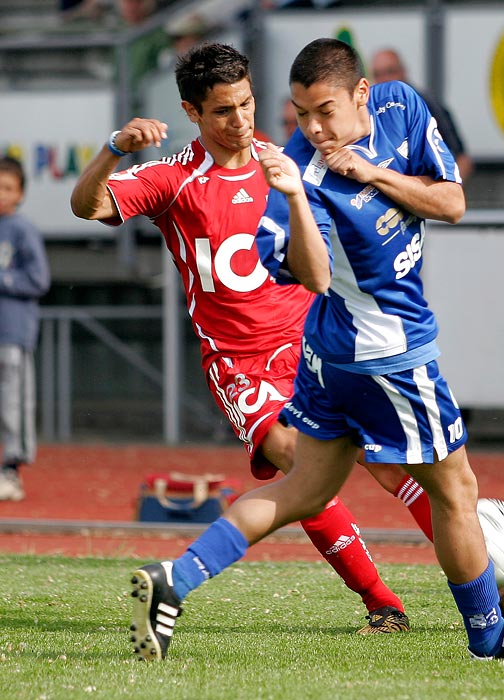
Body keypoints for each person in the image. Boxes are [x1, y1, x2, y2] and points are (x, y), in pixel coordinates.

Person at [119, 38, 504, 663]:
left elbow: (453, 202)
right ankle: (488, 636)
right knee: (453, 487)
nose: (312, 128)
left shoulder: (401, 109)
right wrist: (302, 199)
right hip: (386, 353)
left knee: (303, 490)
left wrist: (376, 173)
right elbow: (312, 274)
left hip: (321, 354)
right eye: (300, 113)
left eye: (324, 111)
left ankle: (175, 579)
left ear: (362, 94)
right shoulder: (299, 171)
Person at [71, 42, 418, 648]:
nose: (241, 121)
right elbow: (88, 204)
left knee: (397, 463)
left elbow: (319, 263)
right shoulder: (173, 178)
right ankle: (380, 598)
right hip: (242, 365)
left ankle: (490, 584)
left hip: (313, 344)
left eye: (248, 103)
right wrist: (114, 148)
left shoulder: (285, 163)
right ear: (191, 112)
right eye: (224, 111)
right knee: (297, 461)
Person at [0, 157, 51, 501]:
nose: (1, 194)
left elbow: (39, 279)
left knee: (11, 405)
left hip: (11, 335)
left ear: (20, 194)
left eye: (8, 188)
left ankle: (11, 470)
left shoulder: (22, 230)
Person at [369, 47, 474, 182]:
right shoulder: (369, 111)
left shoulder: (424, 104)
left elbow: (462, 159)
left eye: (390, 72)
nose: (385, 79)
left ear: (403, 71)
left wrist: (445, 194)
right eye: (378, 74)